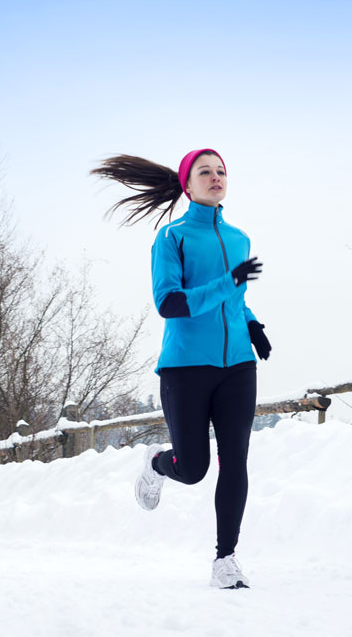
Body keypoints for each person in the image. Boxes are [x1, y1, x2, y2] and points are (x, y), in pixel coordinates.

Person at [91, 148, 271, 589]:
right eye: (204, 172)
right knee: (192, 469)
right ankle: (157, 463)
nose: (215, 177)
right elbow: (170, 303)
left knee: (236, 462)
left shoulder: (239, 238)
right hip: (186, 368)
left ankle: (225, 560)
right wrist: (228, 281)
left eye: (221, 171)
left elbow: (235, 300)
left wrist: (252, 326)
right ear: (187, 185)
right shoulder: (171, 238)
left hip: (237, 369)